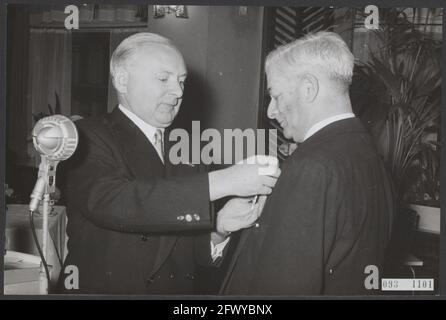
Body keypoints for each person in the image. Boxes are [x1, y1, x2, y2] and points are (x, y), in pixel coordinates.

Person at [57, 33, 280, 294]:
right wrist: (224, 181)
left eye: (181, 81)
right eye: (163, 79)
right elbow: (117, 202)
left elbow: (185, 251)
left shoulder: (187, 147)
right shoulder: (85, 135)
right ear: (122, 81)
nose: (177, 92)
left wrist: (219, 229)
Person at [220, 31, 394, 295]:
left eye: (276, 96)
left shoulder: (311, 166)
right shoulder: (370, 156)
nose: (270, 111)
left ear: (308, 89)